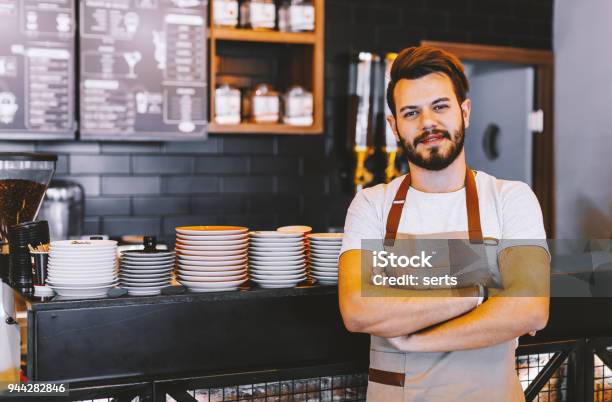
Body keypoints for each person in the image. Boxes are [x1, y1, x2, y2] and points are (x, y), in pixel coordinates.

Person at [338, 46, 550, 402]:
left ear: (464, 112)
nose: (427, 123)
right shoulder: (371, 205)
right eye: (410, 112)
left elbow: (531, 308)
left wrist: (417, 339)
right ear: (394, 126)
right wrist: (479, 293)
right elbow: (357, 311)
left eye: (440, 106)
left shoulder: (510, 197)